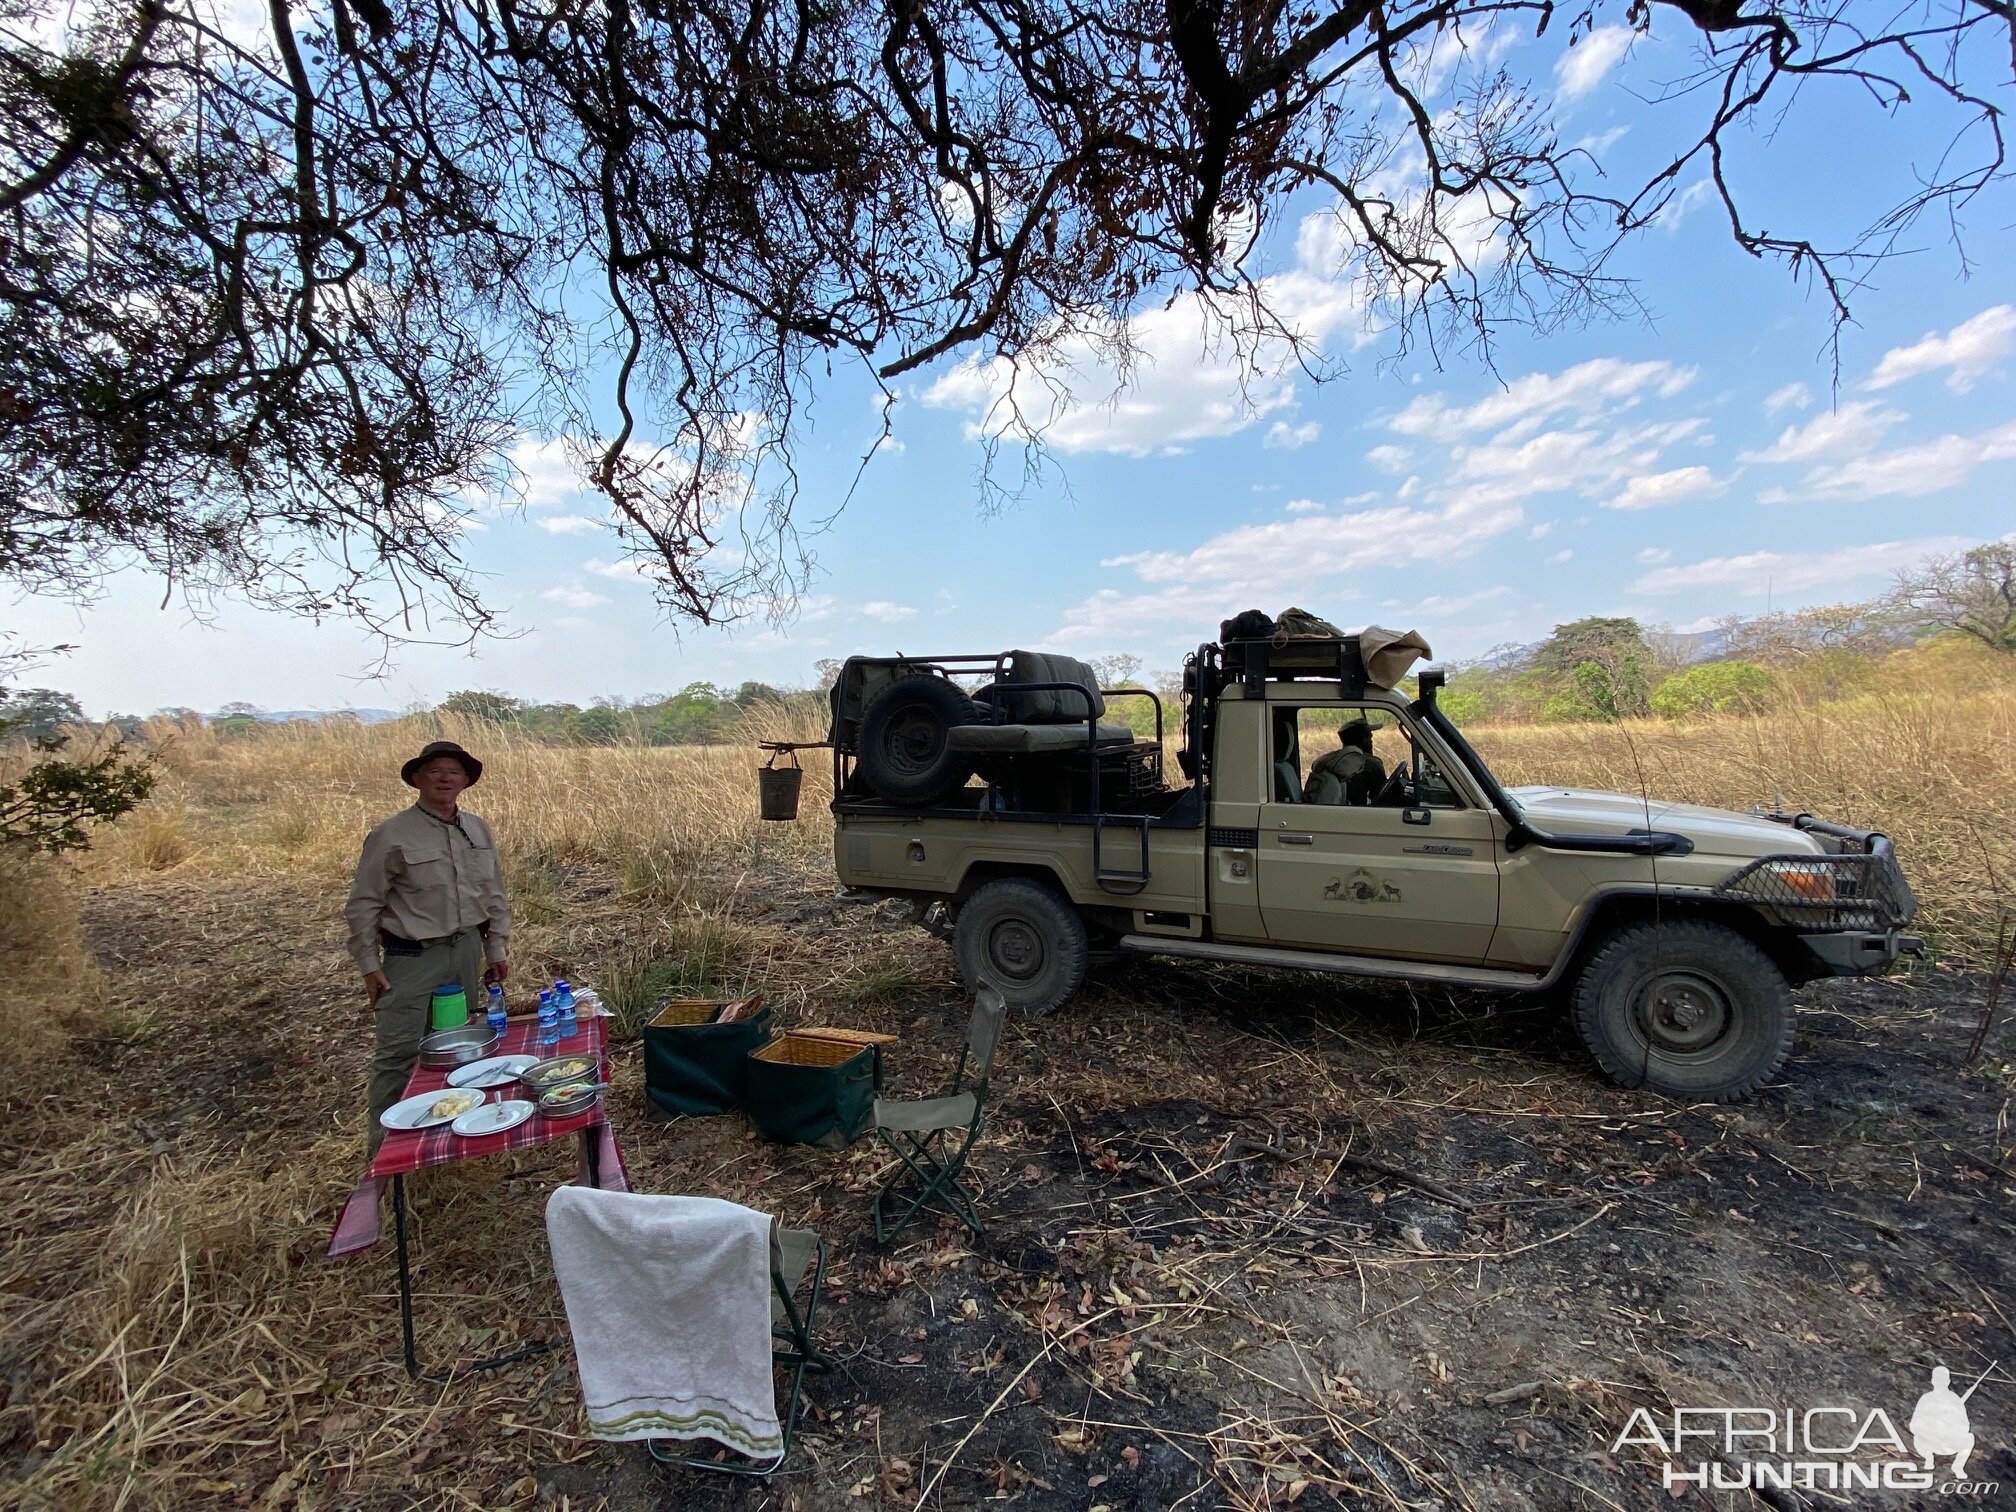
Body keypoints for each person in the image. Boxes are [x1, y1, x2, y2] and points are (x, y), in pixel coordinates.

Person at [346, 740, 511, 1152]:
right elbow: (364, 903)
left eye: (453, 772)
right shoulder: (391, 834)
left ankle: (445, 1139)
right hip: (410, 957)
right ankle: (385, 1154)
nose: (444, 778)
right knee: (398, 1054)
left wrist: (496, 949)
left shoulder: (477, 829)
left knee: (457, 1046)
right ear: (418, 778)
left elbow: (493, 894)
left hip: (465, 950)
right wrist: (369, 964)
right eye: (435, 770)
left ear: (465, 781)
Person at [1304, 717, 1386, 805]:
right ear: (1362, 739)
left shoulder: (1335, 761)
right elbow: (1385, 800)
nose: (1371, 741)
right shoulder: (1371, 764)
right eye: (1369, 737)